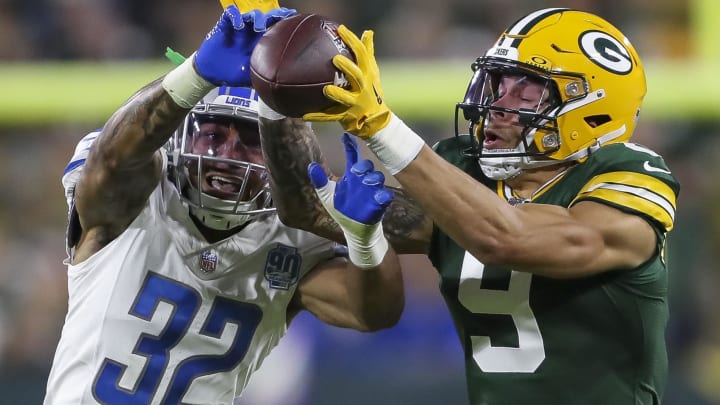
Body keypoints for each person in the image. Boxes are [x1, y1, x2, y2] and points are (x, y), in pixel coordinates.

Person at [257, 7, 680, 404]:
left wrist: (382, 128)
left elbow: (507, 238)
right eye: (499, 84)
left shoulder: (631, 177)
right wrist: (271, 89)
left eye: (527, 91)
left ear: (593, 112)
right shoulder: (465, 171)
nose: (498, 105)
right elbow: (307, 209)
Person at [44, 4, 404, 405]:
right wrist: (196, 72)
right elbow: (112, 161)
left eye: (250, 140)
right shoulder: (140, 192)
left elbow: (373, 313)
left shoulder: (295, 236)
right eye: (213, 134)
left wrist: (366, 240)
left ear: (277, 156)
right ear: (183, 138)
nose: (227, 153)